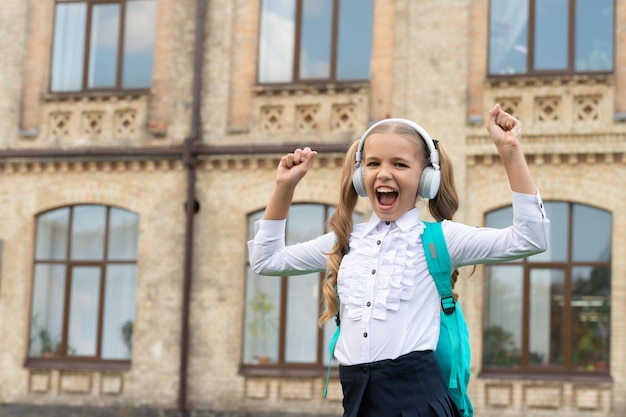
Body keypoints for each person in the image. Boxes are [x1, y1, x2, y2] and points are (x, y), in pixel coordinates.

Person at [248, 104, 549, 417]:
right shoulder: (345, 241)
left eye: (400, 164)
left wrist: (510, 151)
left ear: (426, 178)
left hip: (416, 400)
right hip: (357, 398)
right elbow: (266, 260)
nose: (384, 173)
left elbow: (530, 238)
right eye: (374, 163)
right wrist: (284, 187)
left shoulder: (440, 238)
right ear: (360, 175)